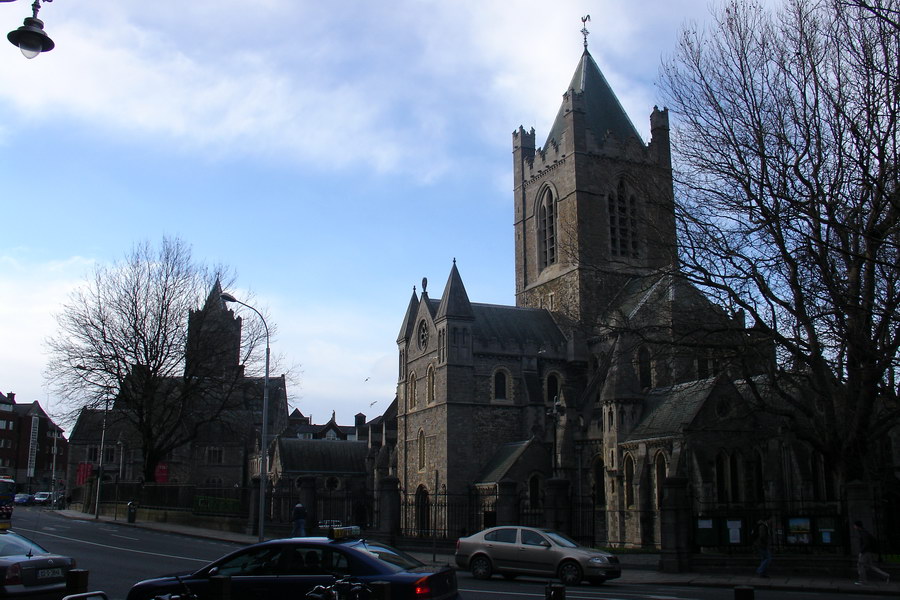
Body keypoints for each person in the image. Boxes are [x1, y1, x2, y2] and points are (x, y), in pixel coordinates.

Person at [854, 521, 890, 585]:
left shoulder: (863, 533)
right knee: (871, 566)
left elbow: (866, 543)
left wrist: (861, 552)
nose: (854, 527)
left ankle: (863, 581)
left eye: (854, 525)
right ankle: (886, 575)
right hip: (868, 552)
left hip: (865, 552)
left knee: (860, 565)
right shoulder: (864, 532)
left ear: (857, 526)